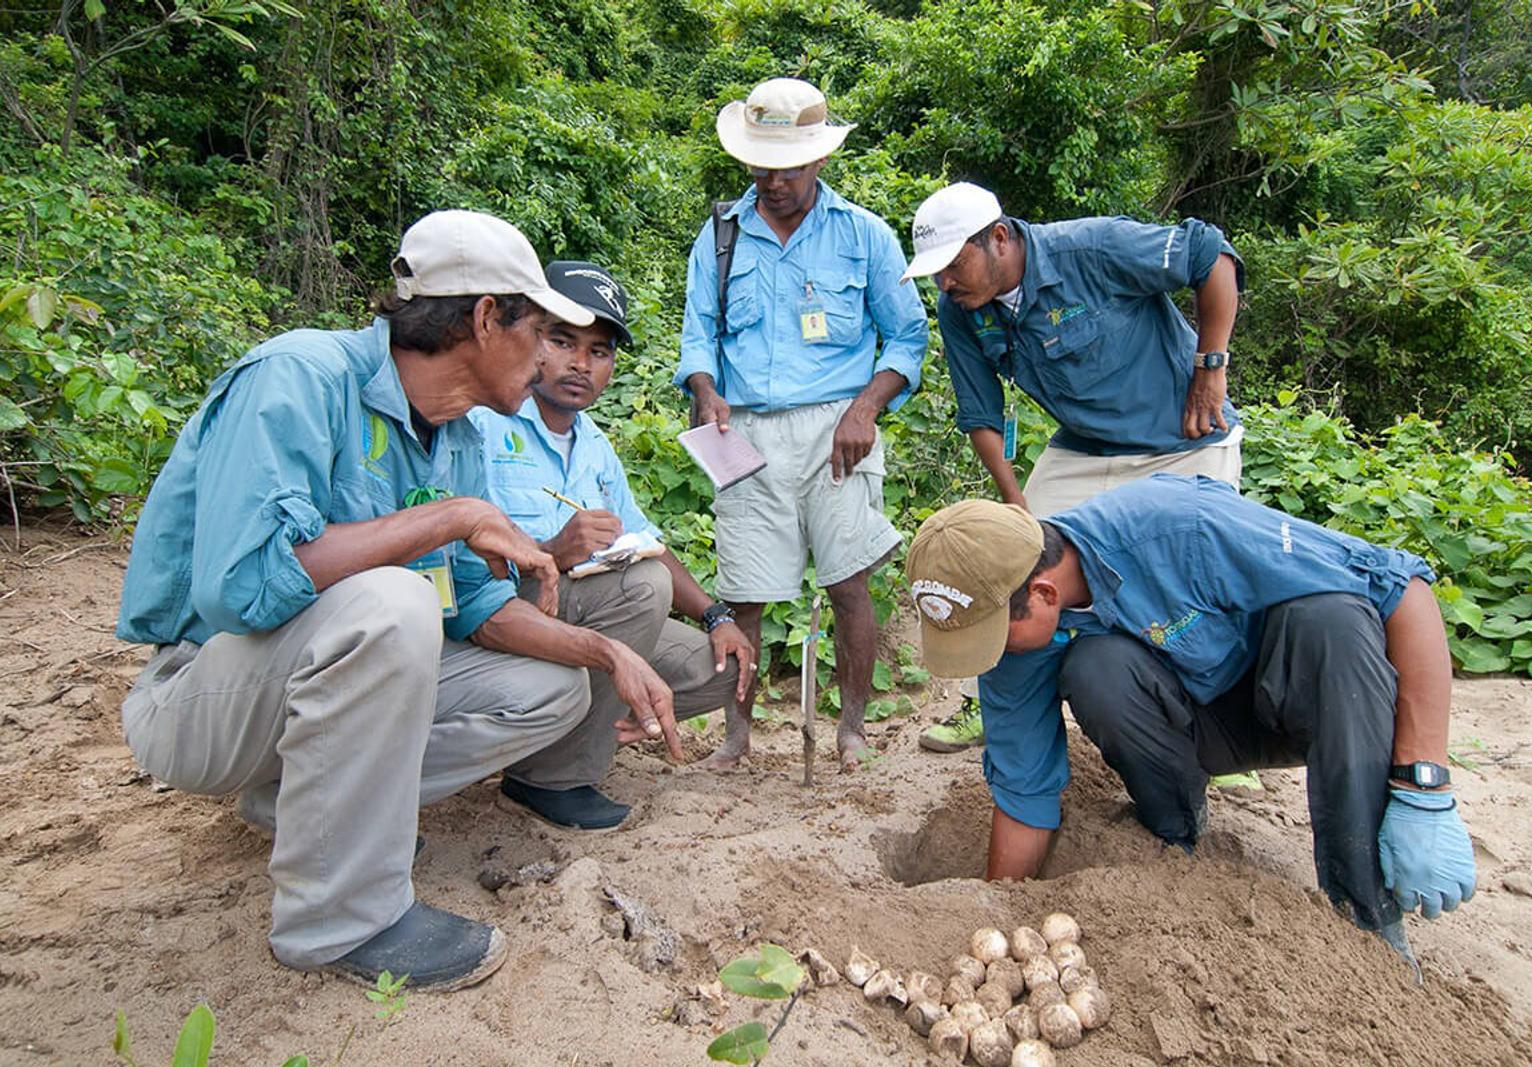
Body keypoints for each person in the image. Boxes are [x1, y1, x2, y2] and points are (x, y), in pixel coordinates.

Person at [115, 210, 682, 991]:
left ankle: (312, 810)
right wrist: (448, 517)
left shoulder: (461, 437)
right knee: (392, 601)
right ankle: (337, 917)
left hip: (311, 688)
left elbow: (476, 604)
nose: (554, 356)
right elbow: (241, 586)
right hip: (200, 697)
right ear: (488, 319)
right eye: (545, 331)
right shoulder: (300, 377)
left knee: (550, 690)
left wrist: (607, 651)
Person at [905, 475, 1476, 961]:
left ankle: (1367, 918)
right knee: (1097, 668)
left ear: (1044, 592)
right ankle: (1176, 828)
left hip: (1305, 699)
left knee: (1334, 618)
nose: (994, 656)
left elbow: (1402, 588)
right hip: (1201, 729)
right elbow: (1024, 789)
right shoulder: (1020, 639)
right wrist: (994, 921)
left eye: (996, 637)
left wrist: (1424, 781)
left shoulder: (1181, 527)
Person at [901, 181, 1247, 756]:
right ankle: (988, 702)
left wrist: (1210, 366)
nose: (945, 282)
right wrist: (1016, 505)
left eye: (954, 264)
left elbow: (1211, 256)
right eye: (935, 272)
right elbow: (981, 415)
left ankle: (1221, 727)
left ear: (1000, 238)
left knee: (1196, 577)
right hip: (1086, 447)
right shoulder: (961, 310)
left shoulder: (1091, 249)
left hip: (1187, 438)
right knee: (1012, 561)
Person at [675, 77, 929, 769]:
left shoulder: (863, 235)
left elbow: (907, 338)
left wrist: (865, 408)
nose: (772, 180)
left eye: (786, 167)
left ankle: (852, 729)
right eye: (760, 165)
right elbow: (697, 330)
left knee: (849, 583)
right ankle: (736, 736)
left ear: (819, 161)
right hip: (745, 429)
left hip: (836, 430)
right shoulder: (723, 233)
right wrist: (704, 389)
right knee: (745, 592)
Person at [470, 261, 758, 807]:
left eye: (598, 352)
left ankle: (584, 727)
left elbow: (644, 539)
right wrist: (550, 550)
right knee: (643, 587)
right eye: (562, 341)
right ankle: (550, 778)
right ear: (531, 338)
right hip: (511, 609)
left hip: (591, 611)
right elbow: (462, 555)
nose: (580, 364)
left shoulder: (595, 443)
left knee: (724, 669)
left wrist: (718, 617)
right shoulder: (488, 421)